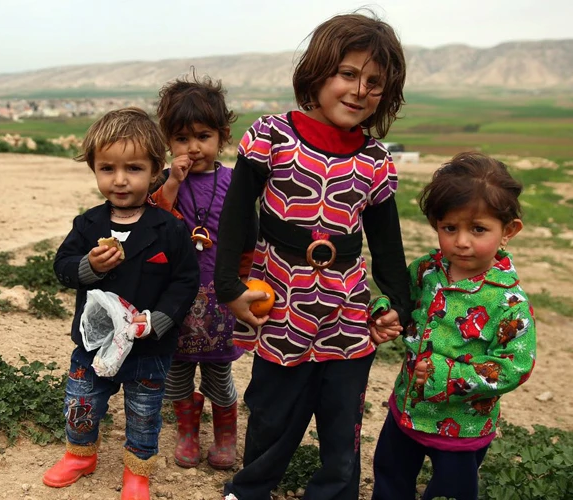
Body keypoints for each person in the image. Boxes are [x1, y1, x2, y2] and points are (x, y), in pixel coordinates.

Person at [214, 12, 412, 500]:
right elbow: (236, 217)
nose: (360, 90)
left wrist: (399, 306)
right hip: (279, 301)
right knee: (273, 408)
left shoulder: (375, 161)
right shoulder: (271, 136)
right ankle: (252, 487)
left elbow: (387, 244)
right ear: (318, 72)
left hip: (346, 308)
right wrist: (229, 288)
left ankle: (335, 493)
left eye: (375, 82)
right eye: (348, 74)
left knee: (343, 414)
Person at [44, 107, 200, 500]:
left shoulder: (169, 229)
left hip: (149, 348)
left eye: (133, 168)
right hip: (93, 345)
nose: (119, 180)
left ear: (155, 171)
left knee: (145, 413)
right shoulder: (88, 225)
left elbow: (186, 280)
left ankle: (137, 472)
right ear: (94, 169)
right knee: (81, 402)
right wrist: (87, 267)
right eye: (107, 168)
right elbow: (61, 267)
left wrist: (157, 320)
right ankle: (80, 455)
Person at [370, 152, 537, 500]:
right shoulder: (427, 269)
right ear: (436, 224)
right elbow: (402, 298)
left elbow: (515, 366)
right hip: (408, 409)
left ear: (509, 231)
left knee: (452, 493)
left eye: (478, 229)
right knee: (389, 475)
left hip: (462, 426)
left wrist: (446, 376)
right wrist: (386, 311)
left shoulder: (508, 302)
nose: (461, 241)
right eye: (450, 228)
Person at [149, 73, 248, 470]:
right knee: (177, 373)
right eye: (182, 139)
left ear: (222, 136)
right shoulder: (166, 182)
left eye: (203, 136)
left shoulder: (233, 182)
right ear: (168, 142)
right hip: (175, 298)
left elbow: (247, 238)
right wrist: (172, 180)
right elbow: (154, 221)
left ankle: (225, 436)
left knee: (218, 375)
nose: (193, 148)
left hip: (221, 298)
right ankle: (188, 433)